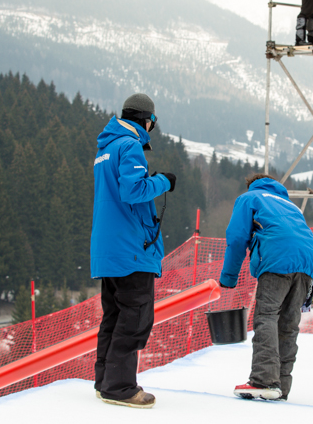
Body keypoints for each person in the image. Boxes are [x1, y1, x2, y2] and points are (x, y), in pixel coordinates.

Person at [90, 93, 177, 408]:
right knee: (135, 318)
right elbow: (133, 191)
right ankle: (121, 387)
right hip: (131, 250)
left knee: (113, 316)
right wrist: (164, 182)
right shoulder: (129, 146)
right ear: (148, 120)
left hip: (109, 249)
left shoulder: (106, 148)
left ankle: (105, 381)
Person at [219, 174, 313, 401]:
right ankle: (281, 386)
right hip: (306, 267)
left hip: (276, 262)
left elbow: (236, 238)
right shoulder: (291, 206)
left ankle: (264, 380)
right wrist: (312, 292)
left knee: (266, 317)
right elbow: (310, 244)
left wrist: (228, 278)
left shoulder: (250, 198)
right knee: (288, 326)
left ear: (252, 185)